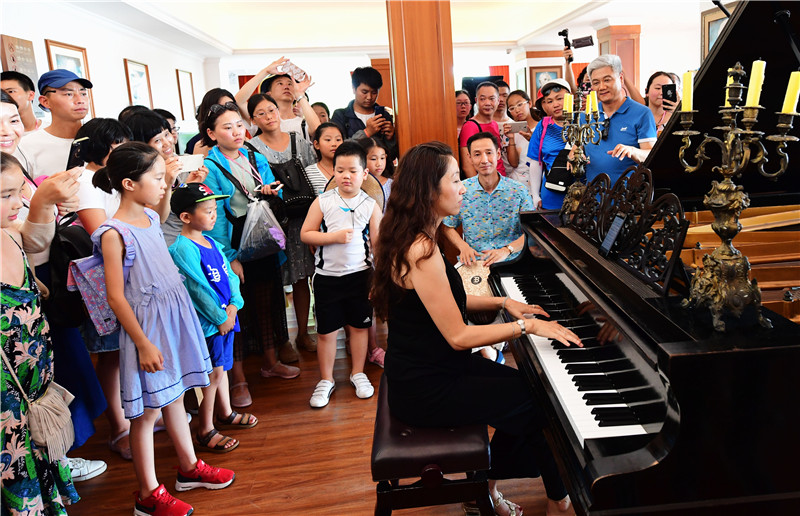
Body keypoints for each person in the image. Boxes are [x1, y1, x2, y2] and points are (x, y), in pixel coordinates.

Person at [371, 141, 578, 516]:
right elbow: (458, 335)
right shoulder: (422, 249)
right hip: (427, 385)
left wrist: (502, 302)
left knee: (531, 396)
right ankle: (550, 497)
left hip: (432, 368)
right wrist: (525, 326)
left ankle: (508, 490)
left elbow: (443, 304)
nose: (463, 186)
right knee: (537, 403)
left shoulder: (415, 235)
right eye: (454, 180)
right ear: (429, 190)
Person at [92, 142, 234, 515]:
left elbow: (163, 208)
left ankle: (188, 469)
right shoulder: (113, 233)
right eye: (154, 178)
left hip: (173, 318)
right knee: (147, 414)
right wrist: (142, 343)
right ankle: (147, 494)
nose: (160, 184)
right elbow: (116, 297)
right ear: (128, 183)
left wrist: (169, 182)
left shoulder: (151, 217)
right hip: (147, 328)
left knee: (175, 397)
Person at [201, 102, 299, 409]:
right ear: (211, 133)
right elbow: (213, 215)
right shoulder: (211, 166)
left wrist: (272, 192)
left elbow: (276, 192)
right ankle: (238, 378)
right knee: (237, 312)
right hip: (233, 241)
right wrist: (230, 257)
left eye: (239, 125)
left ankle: (270, 362)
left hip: (263, 238)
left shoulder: (254, 156)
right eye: (227, 127)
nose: (236, 132)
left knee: (266, 303)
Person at [1, 152, 81, 516]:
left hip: (35, 391)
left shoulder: (13, 234)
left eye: (20, 191)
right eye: (4, 195)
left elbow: (37, 241)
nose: (17, 202)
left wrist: (46, 203)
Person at [169, 183, 257, 454]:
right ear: (186, 217)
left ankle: (226, 412)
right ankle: (206, 428)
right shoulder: (182, 249)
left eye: (213, 209)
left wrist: (234, 306)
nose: (213, 215)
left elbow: (230, 277)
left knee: (222, 368)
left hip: (225, 318)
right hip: (210, 325)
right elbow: (197, 289)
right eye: (207, 211)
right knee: (214, 373)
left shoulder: (212, 242)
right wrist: (220, 317)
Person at [300, 141, 382, 408]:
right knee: (326, 331)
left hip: (360, 276)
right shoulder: (323, 201)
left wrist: (378, 279)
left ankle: (358, 372)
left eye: (353, 171)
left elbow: (378, 245)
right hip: (326, 278)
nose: (346, 176)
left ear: (364, 174)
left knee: (360, 328)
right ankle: (326, 379)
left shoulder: (371, 205)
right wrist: (332, 237)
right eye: (340, 170)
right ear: (333, 172)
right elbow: (306, 234)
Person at [72, 118, 134, 460]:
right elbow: (100, 233)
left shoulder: (114, 177)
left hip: (132, 274)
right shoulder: (84, 180)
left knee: (131, 351)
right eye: (115, 144)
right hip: (105, 277)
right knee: (111, 354)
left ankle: (136, 417)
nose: (121, 150)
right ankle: (119, 426)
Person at [246, 93, 318, 360]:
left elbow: (313, 173)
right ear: (253, 119)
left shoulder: (298, 140)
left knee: (301, 278)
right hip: (270, 220)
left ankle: (303, 332)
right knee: (276, 280)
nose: (269, 117)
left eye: (272, 110)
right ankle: (282, 339)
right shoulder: (250, 147)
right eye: (261, 113)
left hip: (302, 217)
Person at [444, 131, 533, 267]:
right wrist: (463, 247)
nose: (484, 160)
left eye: (489, 153)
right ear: (470, 158)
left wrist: (507, 250)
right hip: (475, 262)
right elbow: (447, 226)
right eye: (477, 154)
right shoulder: (462, 190)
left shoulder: (519, 191)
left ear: (498, 154)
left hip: (512, 260)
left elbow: (533, 232)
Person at [125, 109, 208, 246]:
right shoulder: (140, 175)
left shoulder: (176, 161)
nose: (167, 143)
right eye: (157, 140)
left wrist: (190, 184)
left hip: (188, 241)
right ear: (142, 145)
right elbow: (157, 218)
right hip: (165, 244)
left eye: (167, 134)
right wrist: (167, 182)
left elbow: (179, 204)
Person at [583, 55, 657, 185]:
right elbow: (575, 149)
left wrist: (633, 151)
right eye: (596, 83)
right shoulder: (586, 115)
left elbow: (651, 155)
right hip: (592, 197)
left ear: (621, 78)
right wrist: (572, 155)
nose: (601, 87)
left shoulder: (642, 113)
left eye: (607, 80)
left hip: (628, 197)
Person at [19, 69, 91, 178]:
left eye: (83, 93)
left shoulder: (100, 137)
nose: (80, 100)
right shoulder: (26, 146)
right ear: (45, 101)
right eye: (68, 94)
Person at [234, 57, 321, 142]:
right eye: (280, 83)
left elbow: (317, 130)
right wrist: (265, 71)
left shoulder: (303, 124)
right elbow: (238, 101)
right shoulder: (263, 119)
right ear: (269, 94)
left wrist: (300, 95)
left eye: (290, 84)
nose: (286, 86)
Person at [331, 66, 398, 161]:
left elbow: (391, 156)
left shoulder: (384, 116)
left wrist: (390, 139)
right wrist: (367, 132)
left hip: (380, 172)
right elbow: (340, 149)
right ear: (354, 89)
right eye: (364, 92)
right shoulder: (341, 115)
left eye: (374, 92)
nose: (369, 97)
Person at [527, 78, 572, 210]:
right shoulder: (543, 126)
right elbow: (535, 161)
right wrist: (535, 195)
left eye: (560, 98)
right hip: (552, 189)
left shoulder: (583, 121)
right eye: (549, 101)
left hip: (581, 191)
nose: (555, 104)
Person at [458, 81, 512, 177]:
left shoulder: (494, 124)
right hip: (485, 185)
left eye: (492, 99)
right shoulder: (470, 126)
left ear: (498, 101)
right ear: (476, 101)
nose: (487, 103)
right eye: (482, 99)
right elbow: (467, 166)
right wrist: (479, 190)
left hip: (500, 179)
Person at [505, 89, 539, 199]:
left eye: (520, 104)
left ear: (529, 103)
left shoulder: (542, 126)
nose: (517, 110)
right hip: (518, 184)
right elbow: (514, 163)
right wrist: (510, 139)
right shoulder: (513, 131)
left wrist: (532, 139)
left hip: (538, 182)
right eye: (512, 108)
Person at [184, 88, 237, 156]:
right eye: (221, 108)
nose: (227, 112)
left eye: (231, 106)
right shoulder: (199, 146)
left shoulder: (242, 142)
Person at [305, 122, 343, 194]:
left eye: (338, 140)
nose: (334, 144)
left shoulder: (351, 169)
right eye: (328, 140)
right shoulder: (309, 173)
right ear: (316, 144)